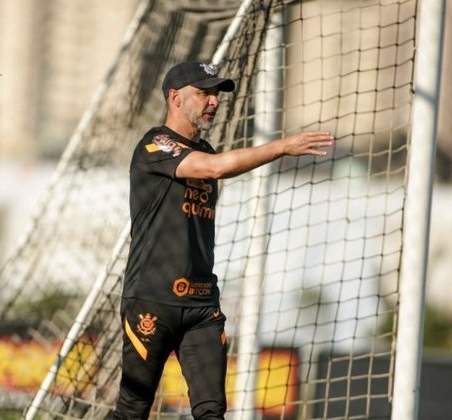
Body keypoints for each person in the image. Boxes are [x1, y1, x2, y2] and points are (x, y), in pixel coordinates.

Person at [113, 61, 333, 419]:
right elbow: (213, 168)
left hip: (202, 305)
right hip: (153, 302)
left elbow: (215, 164)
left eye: (216, 94)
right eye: (203, 93)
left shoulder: (210, 151)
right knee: (133, 407)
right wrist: (282, 146)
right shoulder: (154, 146)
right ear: (175, 98)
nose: (213, 101)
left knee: (212, 410)